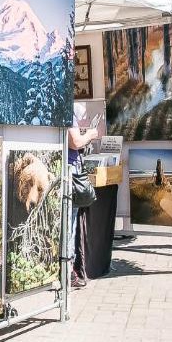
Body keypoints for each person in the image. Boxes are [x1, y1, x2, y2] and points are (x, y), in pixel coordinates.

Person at [67, 103, 101, 288]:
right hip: (70, 171)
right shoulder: (65, 108)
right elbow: (75, 142)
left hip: (68, 167)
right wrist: (90, 134)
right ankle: (68, 269)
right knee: (69, 222)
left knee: (70, 221)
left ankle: (68, 267)